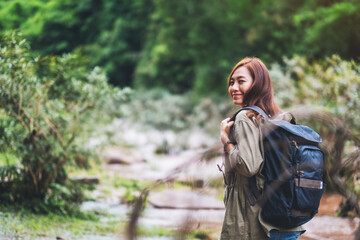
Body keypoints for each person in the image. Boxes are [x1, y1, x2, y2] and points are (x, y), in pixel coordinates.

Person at [219, 57, 304, 239]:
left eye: (241, 81)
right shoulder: (276, 118)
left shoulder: (244, 117)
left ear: (257, 84)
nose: (233, 88)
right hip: (283, 220)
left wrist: (226, 140)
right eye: (231, 82)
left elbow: (248, 166)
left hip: (255, 224)